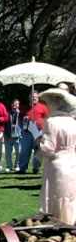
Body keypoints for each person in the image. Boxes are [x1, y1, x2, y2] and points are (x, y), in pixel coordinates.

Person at [38, 89, 76, 224]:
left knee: (55, 198)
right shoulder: (73, 122)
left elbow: (48, 148)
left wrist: (39, 142)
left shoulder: (51, 122)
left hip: (57, 164)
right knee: (70, 198)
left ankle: (56, 228)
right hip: (72, 163)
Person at [17, 91, 49, 174]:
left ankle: (36, 168)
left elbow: (47, 118)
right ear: (29, 98)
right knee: (24, 150)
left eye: (35, 97)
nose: (33, 98)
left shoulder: (43, 107)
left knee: (38, 150)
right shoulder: (24, 108)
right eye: (32, 97)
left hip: (38, 132)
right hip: (27, 132)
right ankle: (22, 168)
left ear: (38, 98)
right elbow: (19, 119)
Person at [3, 99, 22, 172]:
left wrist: (18, 114)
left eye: (17, 104)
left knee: (19, 151)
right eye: (14, 104)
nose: (15, 105)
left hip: (17, 135)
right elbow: (4, 123)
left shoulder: (21, 114)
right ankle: (9, 166)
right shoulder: (7, 113)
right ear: (11, 105)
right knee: (8, 152)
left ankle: (17, 165)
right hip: (8, 135)